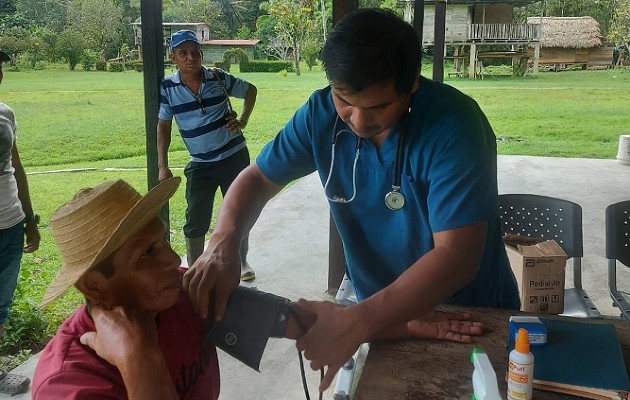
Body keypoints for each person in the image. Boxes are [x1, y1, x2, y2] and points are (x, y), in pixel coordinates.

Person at [182, 8, 520, 391]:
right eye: (345, 100)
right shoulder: (319, 115)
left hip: (466, 314)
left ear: (411, 85)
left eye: (378, 107)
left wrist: (355, 322)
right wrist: (223, 244)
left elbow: (456, 257)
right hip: (383, 315)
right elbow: (257, 178)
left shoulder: (454, 126)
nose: (358, 121)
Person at [31, 177, 480, 399]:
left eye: (164, 243)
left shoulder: (181, 299)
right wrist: (141, 360)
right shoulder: (70, 383)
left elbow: (304, 323)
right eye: (146, 255)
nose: (173, 261)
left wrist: (407, 323)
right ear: (95, 286)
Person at [157, 29, 258, 281]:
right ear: (174, 58)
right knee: (195, 218)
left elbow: (250, 90)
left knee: (238, 213)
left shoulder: (217, 77)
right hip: (201, 164)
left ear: (201, 54)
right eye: (183, 53)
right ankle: (195, 269)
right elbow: (163, 127)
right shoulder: (168, 88)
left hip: (234, 156)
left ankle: (241, 262)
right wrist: (162, 165)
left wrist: (243, 119)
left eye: (195, 52)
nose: (190, 57)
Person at [0, 48, 39, 396]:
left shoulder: (6, 114)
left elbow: (16, 168)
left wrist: (29, 219)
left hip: (11, 222)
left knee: (1, 302)